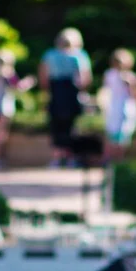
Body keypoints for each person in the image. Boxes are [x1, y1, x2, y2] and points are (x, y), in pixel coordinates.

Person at [39, 27, 91, 167]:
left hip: (56, 92)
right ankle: (71, 158)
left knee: (56, 126)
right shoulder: (79, 55)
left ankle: (57, 158)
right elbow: (84, 78)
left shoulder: (49, 55)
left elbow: (43, 77)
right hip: (71, 94)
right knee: (71, 126)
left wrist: (48, 91)